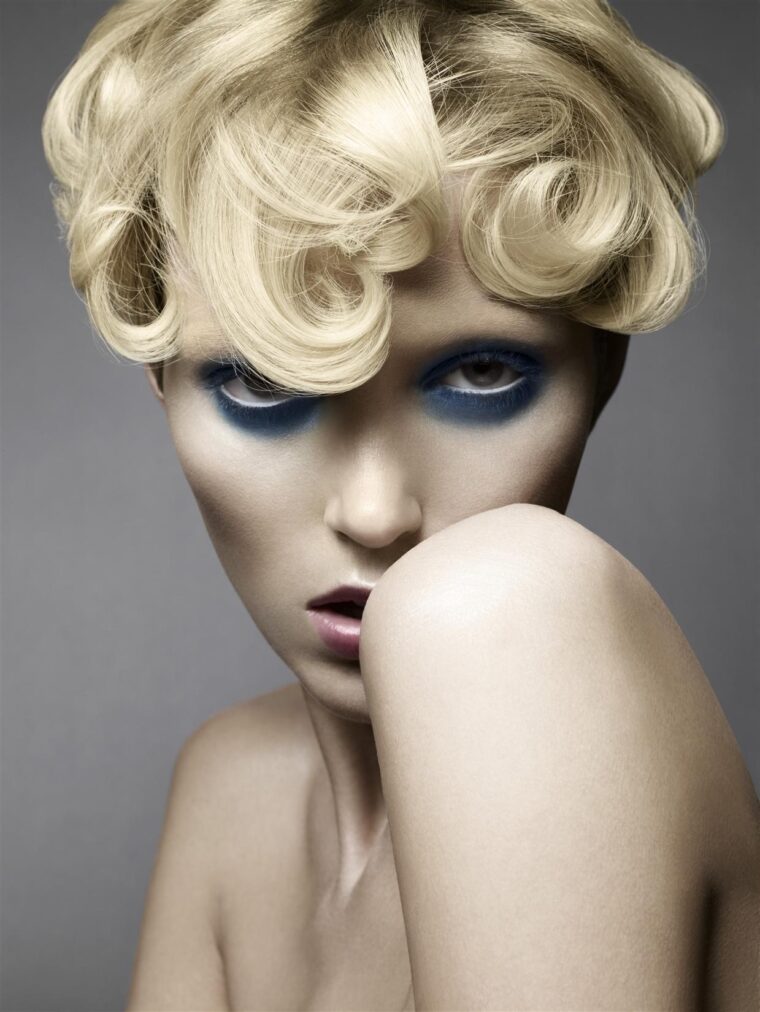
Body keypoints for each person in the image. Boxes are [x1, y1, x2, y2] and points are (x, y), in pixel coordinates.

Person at [41, 0, 759, 1007]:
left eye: (481, 375)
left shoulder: (511, 608)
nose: (376, 513)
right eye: (263, 383)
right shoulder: (230, 790)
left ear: (602, 369)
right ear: (160, 380)